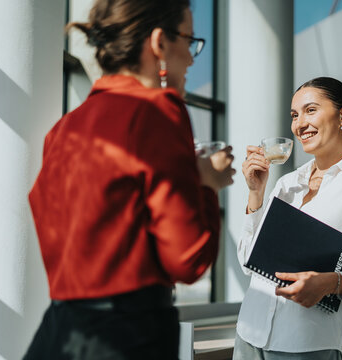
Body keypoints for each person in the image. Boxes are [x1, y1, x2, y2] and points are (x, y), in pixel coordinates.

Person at [24, 1, 234, 359]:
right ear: (158, 44)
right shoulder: (158, 110)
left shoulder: (63, 129)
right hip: (127, 338)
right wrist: (207, 185)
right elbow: (189, 260)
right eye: (189, 39)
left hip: (59, 332)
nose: (193, 57)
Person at [235, 77, 342, 359]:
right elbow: (247, 263)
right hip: (248, 334)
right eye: (294, 115)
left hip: (305, 343)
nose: (299, 124)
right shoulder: (287, 183)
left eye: (310, 110)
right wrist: (256, 194)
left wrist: (332, 282)